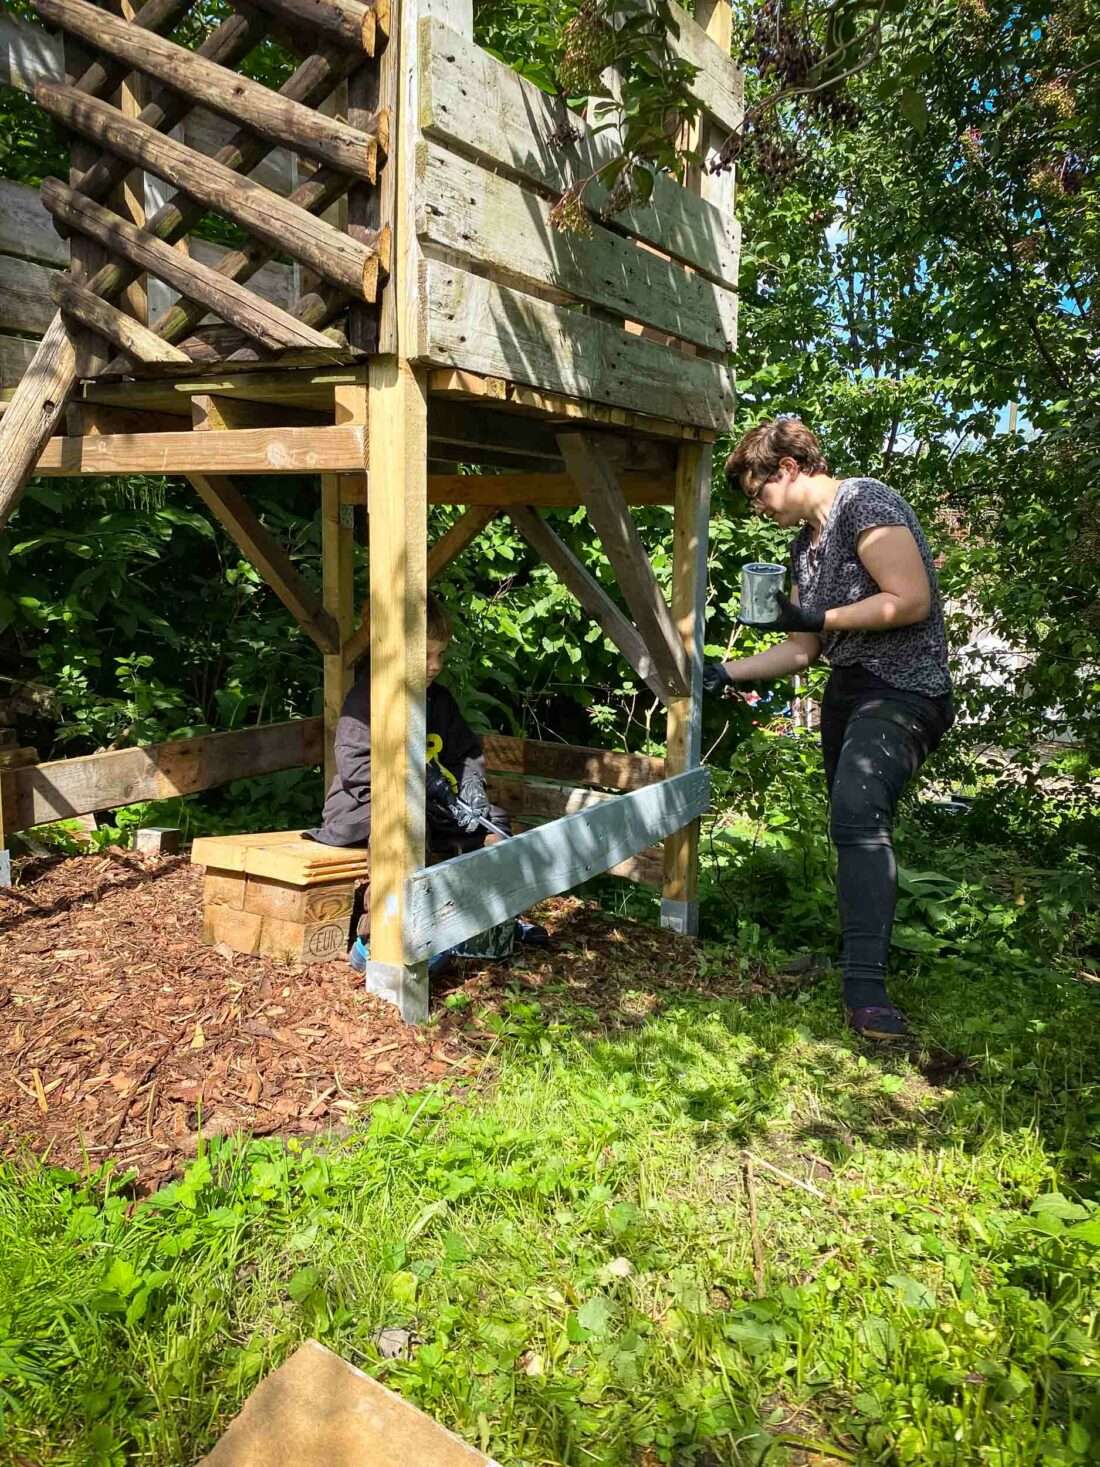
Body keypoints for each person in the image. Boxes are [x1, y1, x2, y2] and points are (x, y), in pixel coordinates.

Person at [704, 418, 953, 1040]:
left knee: (859, 810)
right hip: (848, 690)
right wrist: (723, 671)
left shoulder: (865, 503)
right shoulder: (804, 545)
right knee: (849, 825)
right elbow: (802, 649)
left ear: (787, 469)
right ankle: (855, 963)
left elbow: (910, 598)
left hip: (905, 689)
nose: (758, 507)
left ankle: (867, 991)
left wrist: (816, 612)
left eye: (758, 492)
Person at [309, 594, 518, 973]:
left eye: (440, 655)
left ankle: (481, 924)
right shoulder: (368, 699)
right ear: (393, 650)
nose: (435, 666)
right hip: (363, 809)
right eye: (425, 656)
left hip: (431, 805)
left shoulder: (439, 702)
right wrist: (418, 785)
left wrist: (472, 790)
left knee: (494, 827)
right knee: (404, 827)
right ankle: (376, 940)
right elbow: (356, 767)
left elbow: (466, 753)